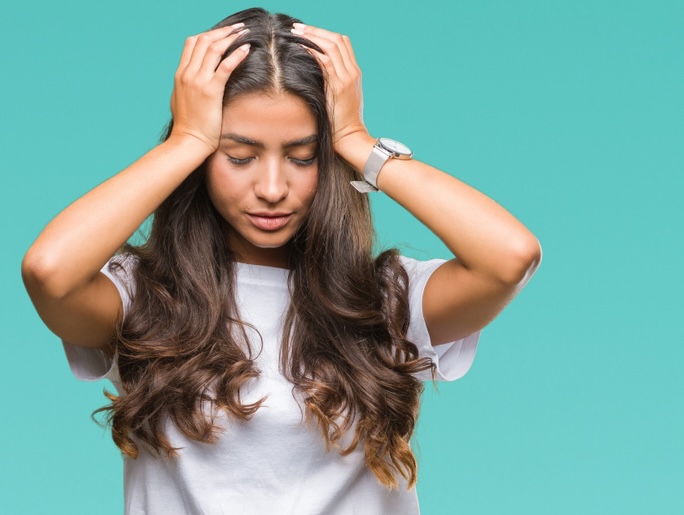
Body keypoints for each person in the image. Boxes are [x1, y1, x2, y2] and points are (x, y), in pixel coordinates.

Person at [22, 7, 542, 515]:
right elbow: (50, 271)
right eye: (239, 156)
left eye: (302, 156)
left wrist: (360, 145)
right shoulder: (145, 298)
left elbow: (509, 256)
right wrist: (187, 139)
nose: (272, 188)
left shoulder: (383, 302)